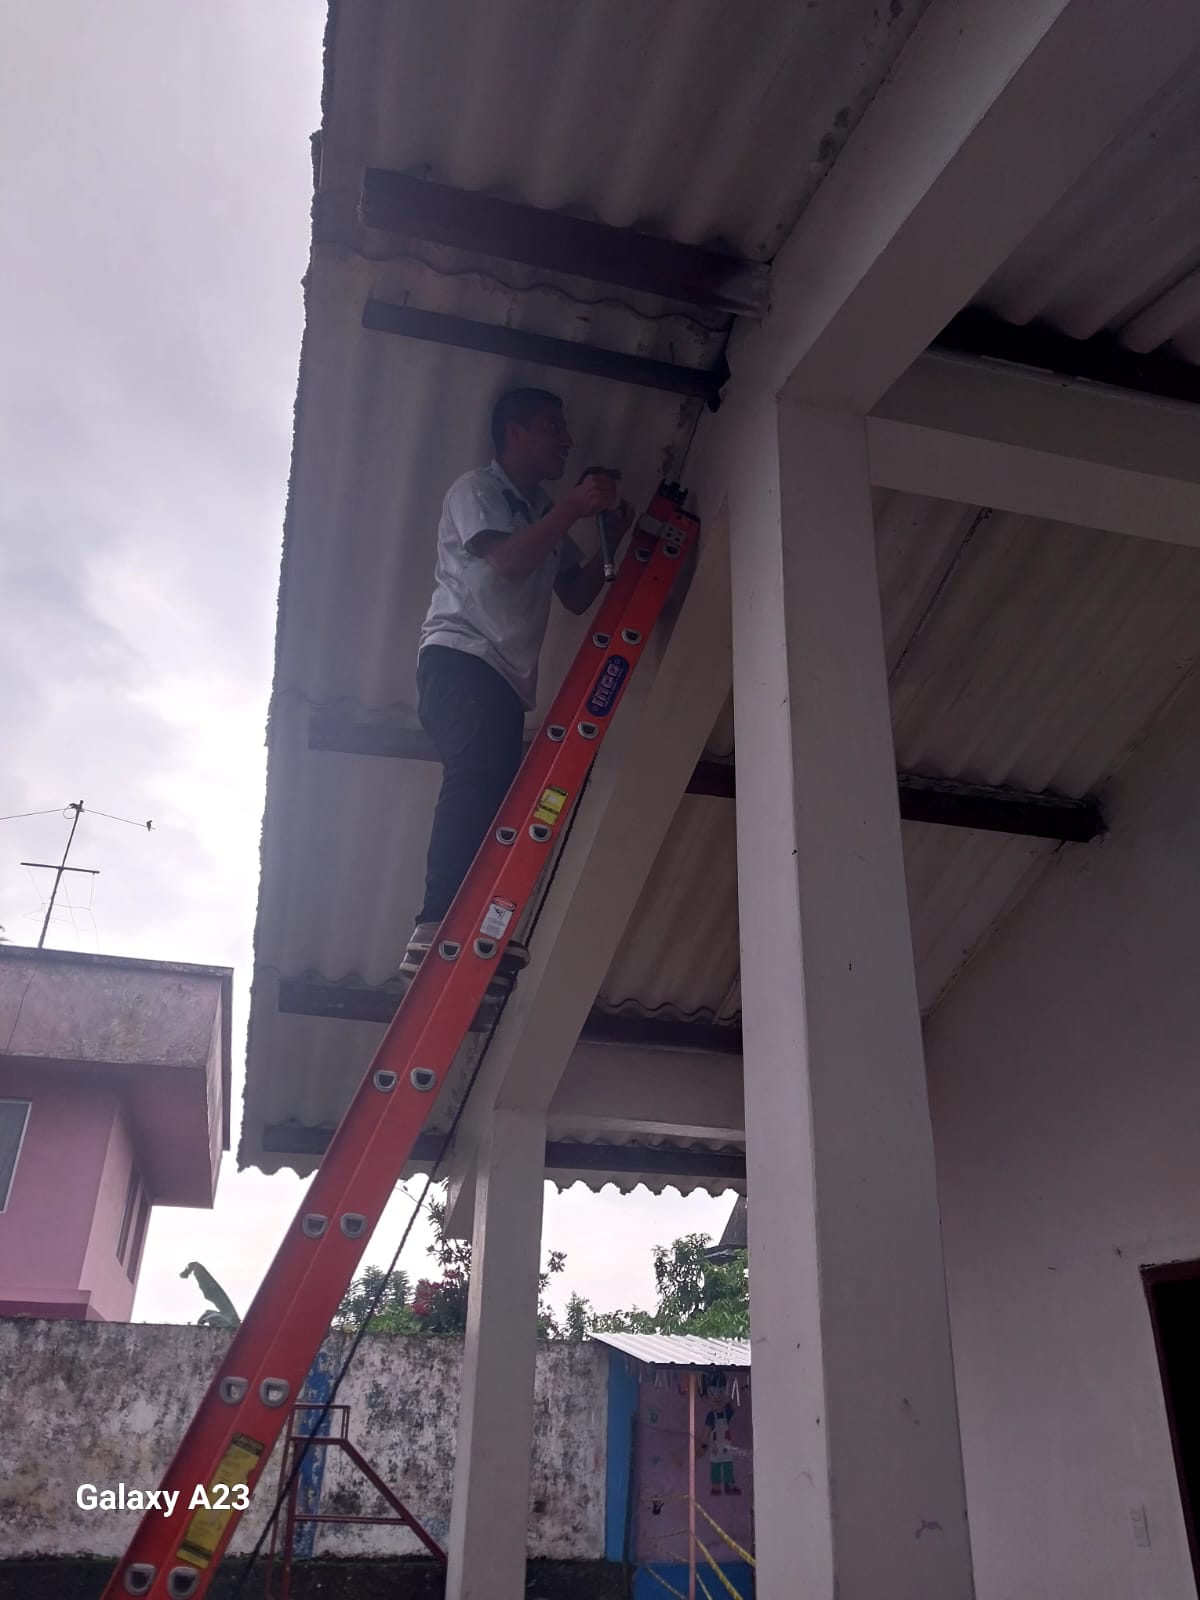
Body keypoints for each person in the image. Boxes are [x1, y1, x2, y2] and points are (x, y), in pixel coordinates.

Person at [399, 387, 632, 1009]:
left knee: (496, 800)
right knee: (475, 776)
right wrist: (575, 509)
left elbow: (576, 594)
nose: (566, 441)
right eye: (553, 427)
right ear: (514, 433)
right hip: (459, 657)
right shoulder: (477, 489)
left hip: (503, 678)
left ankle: (472, 925)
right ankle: (435, 922)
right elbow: (505, 559)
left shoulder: (542, 511)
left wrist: (611, 530)